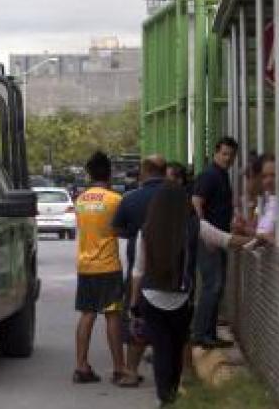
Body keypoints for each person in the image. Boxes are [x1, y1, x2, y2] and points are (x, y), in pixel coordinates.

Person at [130, 183, 255, 406]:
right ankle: (172, 392)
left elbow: (138, 271)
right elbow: (228, 240)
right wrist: (258, 240)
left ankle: (164, 398)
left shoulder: (146, 230)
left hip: (150, 298)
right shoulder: (195, 226)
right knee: (177, 349)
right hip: (181, 301)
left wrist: (133, 303)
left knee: (161, 350)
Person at [111, 155, 167, 387]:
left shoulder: (131, 199)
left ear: (143, 172)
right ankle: (179, 372)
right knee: (171, 317)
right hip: (172, 266)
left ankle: (131, 371)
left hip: (139, 266)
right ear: (164, 172)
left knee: (139, 317)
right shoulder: (174, 198)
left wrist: (133, 234)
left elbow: (115, 228)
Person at [73, 151, 126, 385]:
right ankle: (119, 368)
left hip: (86, 266)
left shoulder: (81, 201)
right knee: (113, 315)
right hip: (108, 267)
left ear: (89, 173)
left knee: (87, 315)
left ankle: (81, 367)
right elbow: (121, 229)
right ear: (109, 172)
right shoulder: (115, 200)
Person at [191, 136, 238, 350]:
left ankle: (208, 333)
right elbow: (196, 203)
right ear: (216, 153)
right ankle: (201, 334)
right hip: (209, 238)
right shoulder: (209, 175)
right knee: (213, 285)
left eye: (231, 155)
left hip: (219, 238)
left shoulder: (222, 175)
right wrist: (204, 234)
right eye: (224, 154)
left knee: (216, 287)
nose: (228, 158)